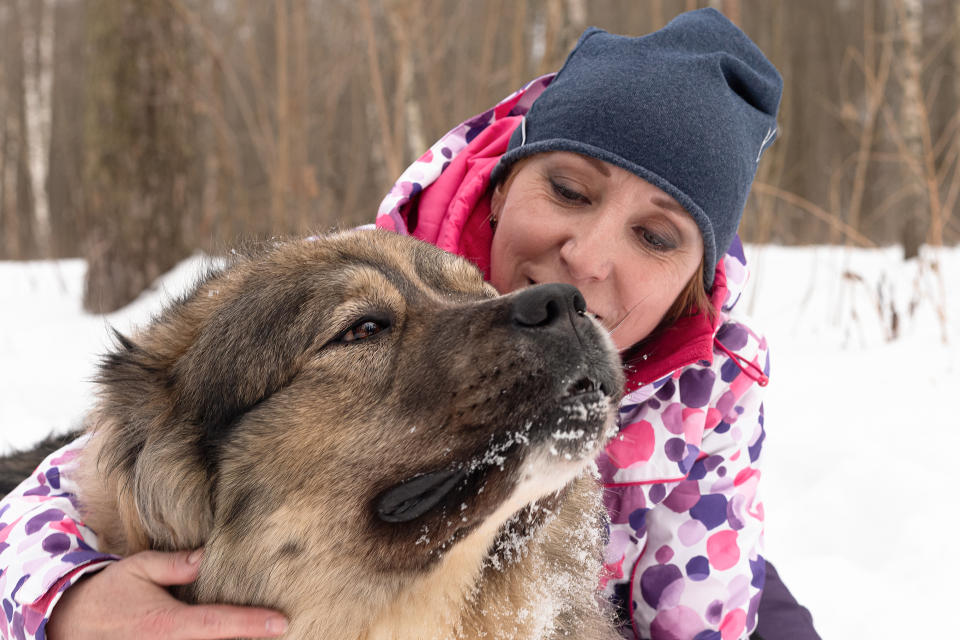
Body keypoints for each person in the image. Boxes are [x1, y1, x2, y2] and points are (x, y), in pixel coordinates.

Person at [0, 9, 819, 640]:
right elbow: (76, 478)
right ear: (502, 186)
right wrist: (65, 602)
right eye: (568, 190)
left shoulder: (707, 404)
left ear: (689, 287)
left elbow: (715, 597)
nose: (584, 262)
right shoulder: (358, 270)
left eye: (655, 237)